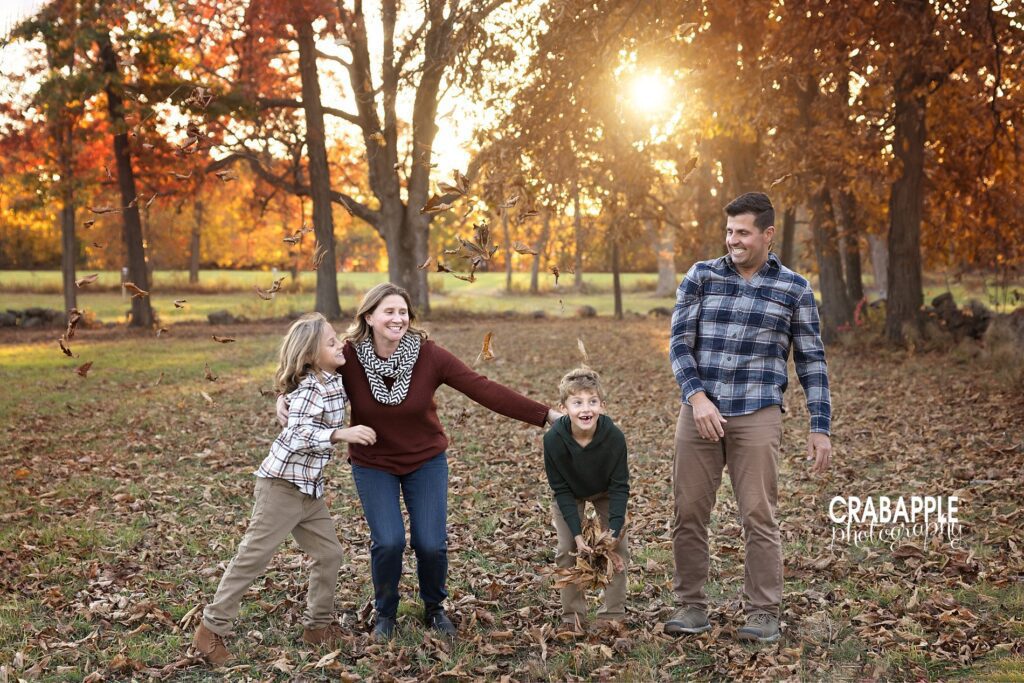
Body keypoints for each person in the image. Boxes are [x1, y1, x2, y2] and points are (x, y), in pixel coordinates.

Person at [277, 283, 561, 642]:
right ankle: (386, 612)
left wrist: (546, 414)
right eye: (389, 312)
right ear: (369, 317)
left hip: (425, 460)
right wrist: (282, 400)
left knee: (430, 543)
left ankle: (434, 607)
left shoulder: (430, 356)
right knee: (389, 541)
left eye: (403, 312)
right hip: (373, 463)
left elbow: (483, 388)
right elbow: (306, 368)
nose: (398, 318)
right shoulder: (349, 357)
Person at [666, 192, 832, 643]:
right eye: (729, 231)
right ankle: (691, 606)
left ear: (767, 234)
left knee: (759, 515)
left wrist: (820, 426)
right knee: (689, 513)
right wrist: (697, 397)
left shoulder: (793, 288)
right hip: (699, 412)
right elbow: (679, 343)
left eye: (742, 232)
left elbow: (812, 360)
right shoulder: (701, 276)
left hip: (757, 413)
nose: (732, 240)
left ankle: (762, 611)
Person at [192, 313, 376, 666]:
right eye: (331, 342)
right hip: (281, 487)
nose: (341, 346)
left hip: (308, 490)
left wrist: (282, 394)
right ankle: (210, 631)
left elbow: (295, 390)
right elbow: (296, 434)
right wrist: (340, 433)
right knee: (253, 558)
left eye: (338, 339)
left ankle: (317, 627)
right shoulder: (310, 388)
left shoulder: (329, 375)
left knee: (330, 554)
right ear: (310, 355)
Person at [543, 367, 629, 630]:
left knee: (618, 547)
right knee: (567, 549)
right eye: (577, 402)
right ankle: (573, 617)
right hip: (570, 492)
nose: (585, 409)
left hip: (605, 490)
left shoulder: (613, 437)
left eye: (592, 401)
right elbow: (561, 490)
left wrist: (613, 530)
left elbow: (619, 487)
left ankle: (612, 614)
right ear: (563, 407)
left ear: (602, 406)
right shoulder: (554, 440)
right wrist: (578, 536)